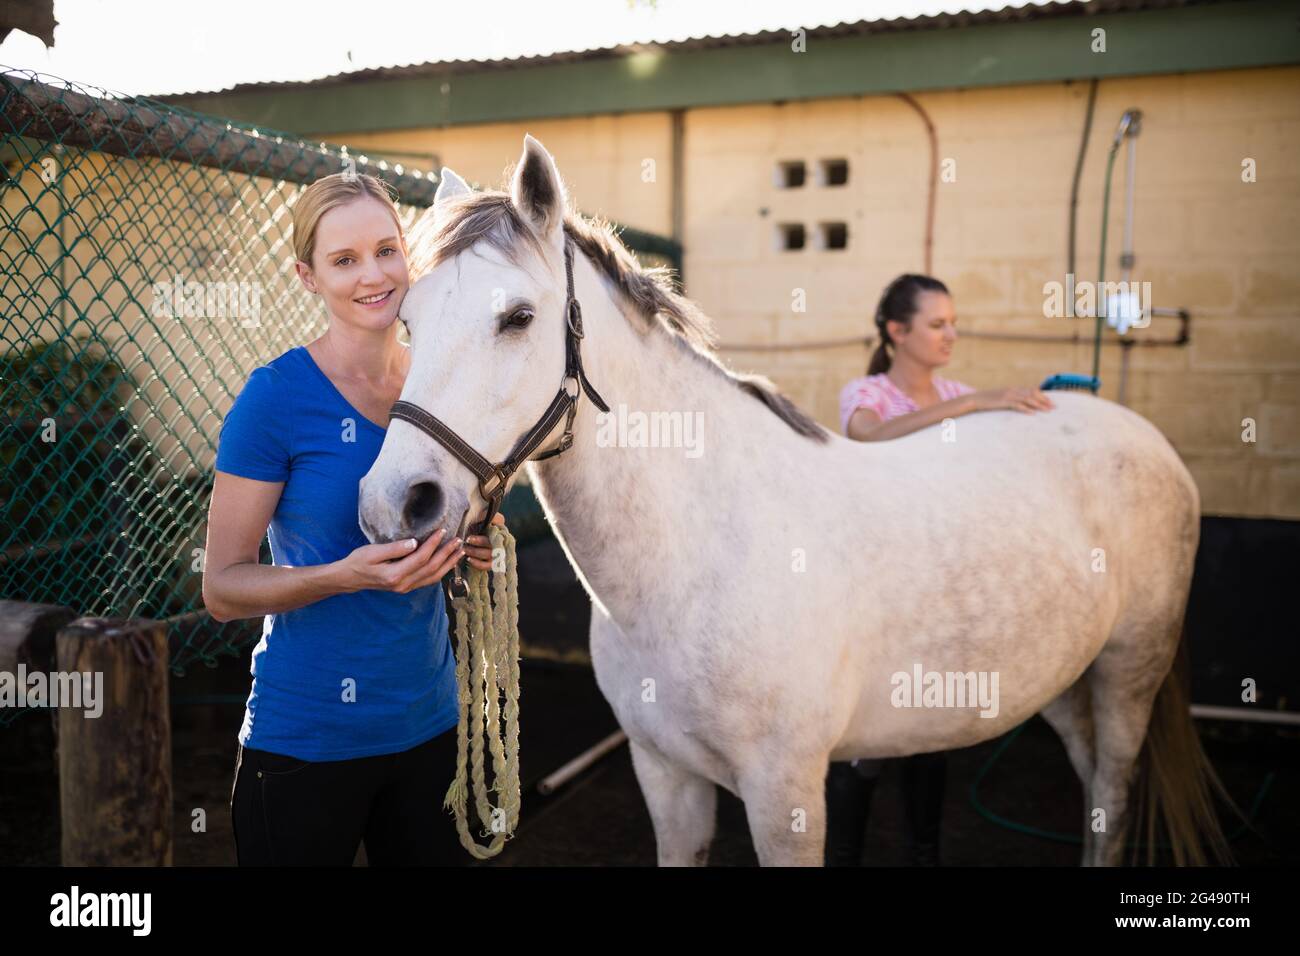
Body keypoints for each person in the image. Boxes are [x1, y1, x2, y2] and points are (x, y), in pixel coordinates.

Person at [203, 172, 506, 866]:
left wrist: (467, 545)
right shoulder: (276, 398)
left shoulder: (438, 382)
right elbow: (221, 588)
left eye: (386, 250)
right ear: (308, 277)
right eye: (344, 260)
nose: (374, 275)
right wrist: (343, 577)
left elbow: (450, 512)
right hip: (307, 744)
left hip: (430, 732)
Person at [825, 273, 1055, 866]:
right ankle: (843, 856)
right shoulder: (868, 392)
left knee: (928, 731)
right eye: (937, 323)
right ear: (897, 332)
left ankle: (923, 856)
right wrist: (976, 404)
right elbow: (868, 438)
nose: (951, 333)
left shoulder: (957, 390)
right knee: (866, 738)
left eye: (953, 322)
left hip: (941, 588)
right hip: (880, 587)